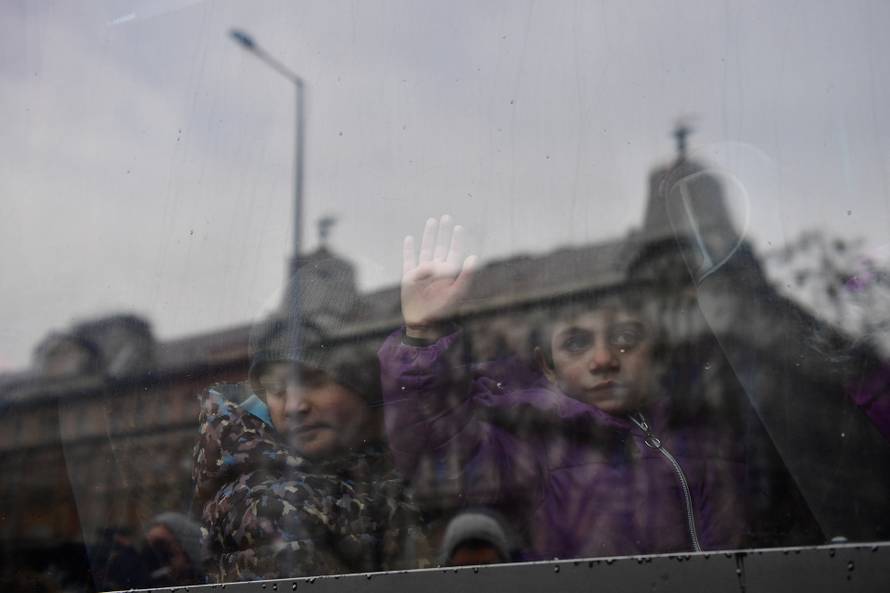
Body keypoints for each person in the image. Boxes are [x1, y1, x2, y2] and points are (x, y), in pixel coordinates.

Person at [379, 216, 745, 560]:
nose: (603, 359)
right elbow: (434, 445)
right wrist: (423, 334)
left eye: (625, 339)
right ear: (548, 369)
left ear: (655, 356)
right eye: (575, 344)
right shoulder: (532, 444)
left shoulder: (700, 438)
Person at [193, 267, 427, 581]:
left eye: (314, 382)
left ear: (363, 388)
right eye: (277, 391)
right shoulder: (269, 504)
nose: (294, 406)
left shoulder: (372, 480)